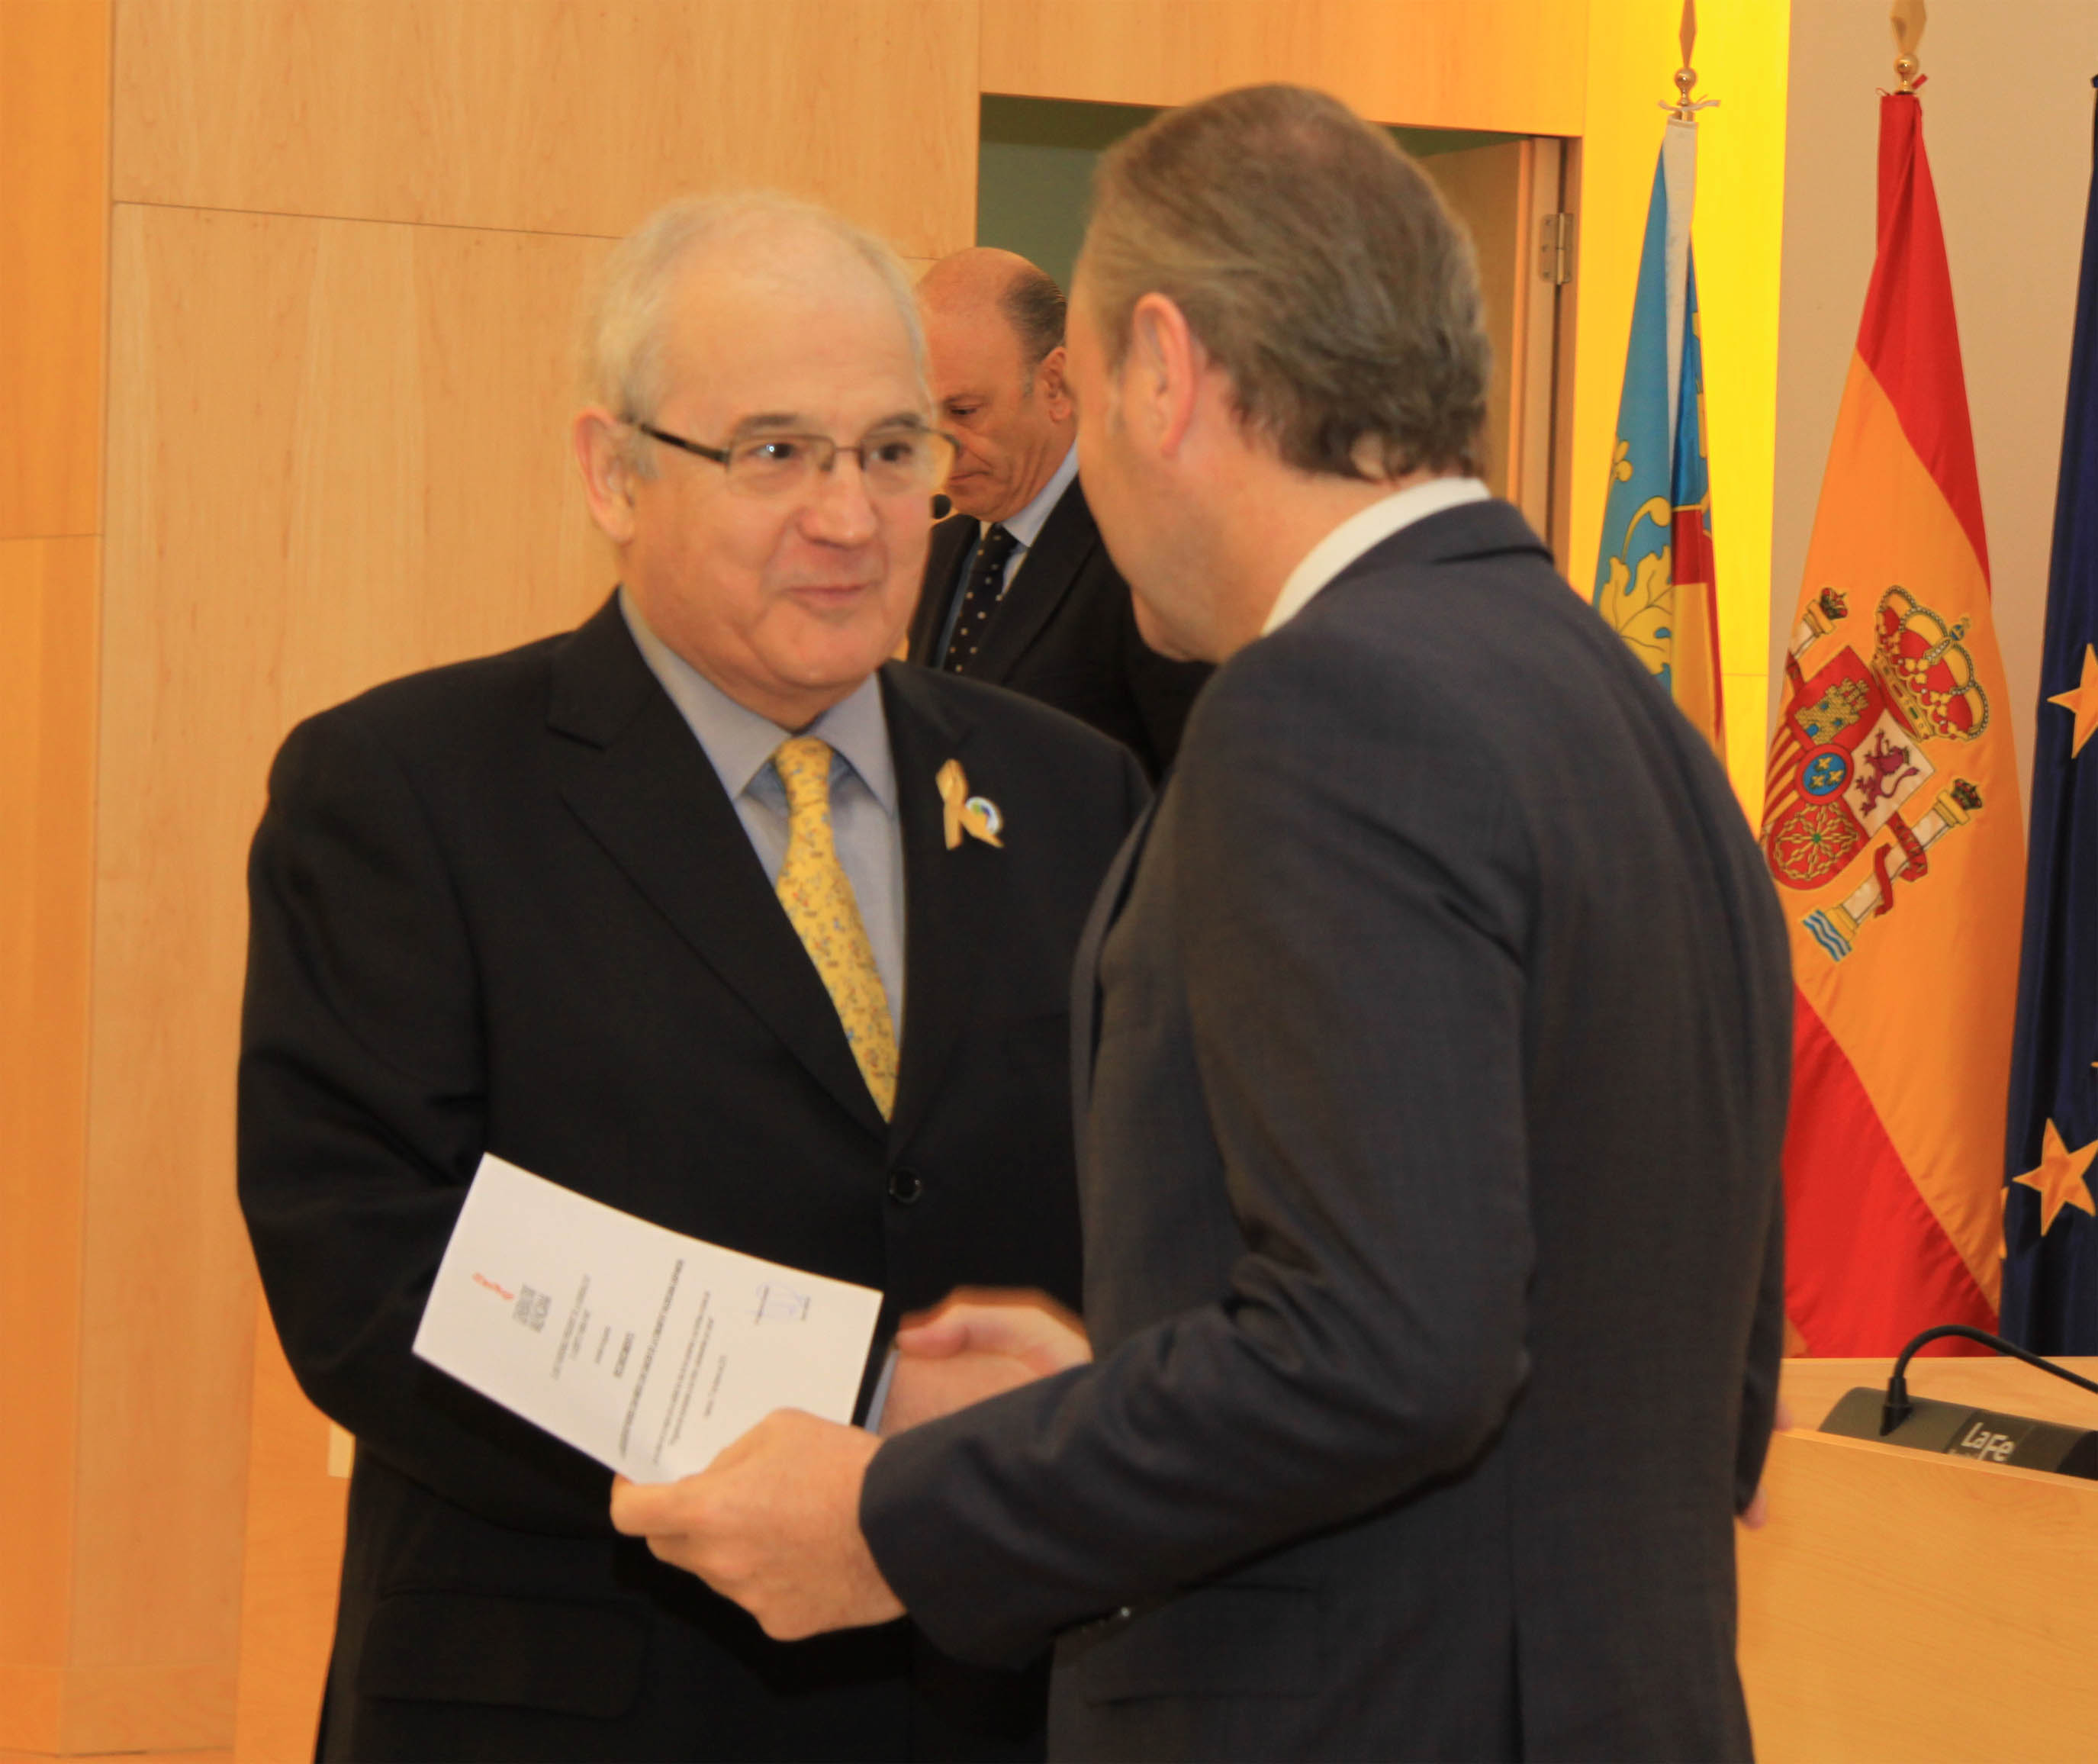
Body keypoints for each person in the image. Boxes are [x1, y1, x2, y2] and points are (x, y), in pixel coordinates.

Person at [612, 86, 1793, 1764]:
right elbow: (1669, 1360)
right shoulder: (1625, 710)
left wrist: (895, 1518)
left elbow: (1387, 1352)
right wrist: (1127, 1368)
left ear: (1163, 372)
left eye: (1087, 395)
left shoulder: (1323, 712)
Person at [237, 192, 1147, 1763]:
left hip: (987, 1704)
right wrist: (863, 1415)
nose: (850, 517)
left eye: (893, 449)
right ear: (613, 471)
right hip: (574, 1701)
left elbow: (1161, 1212)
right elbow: (372, 1275)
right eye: (775, 451)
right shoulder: (408, 790)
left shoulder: (1075, 793)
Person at [907, 247, 1210, 779]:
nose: (940, 446)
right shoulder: (938, 549)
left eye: (964, 412)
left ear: (1055, 385)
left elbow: (1194, 785)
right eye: (920, 417)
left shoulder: (1144, 547)